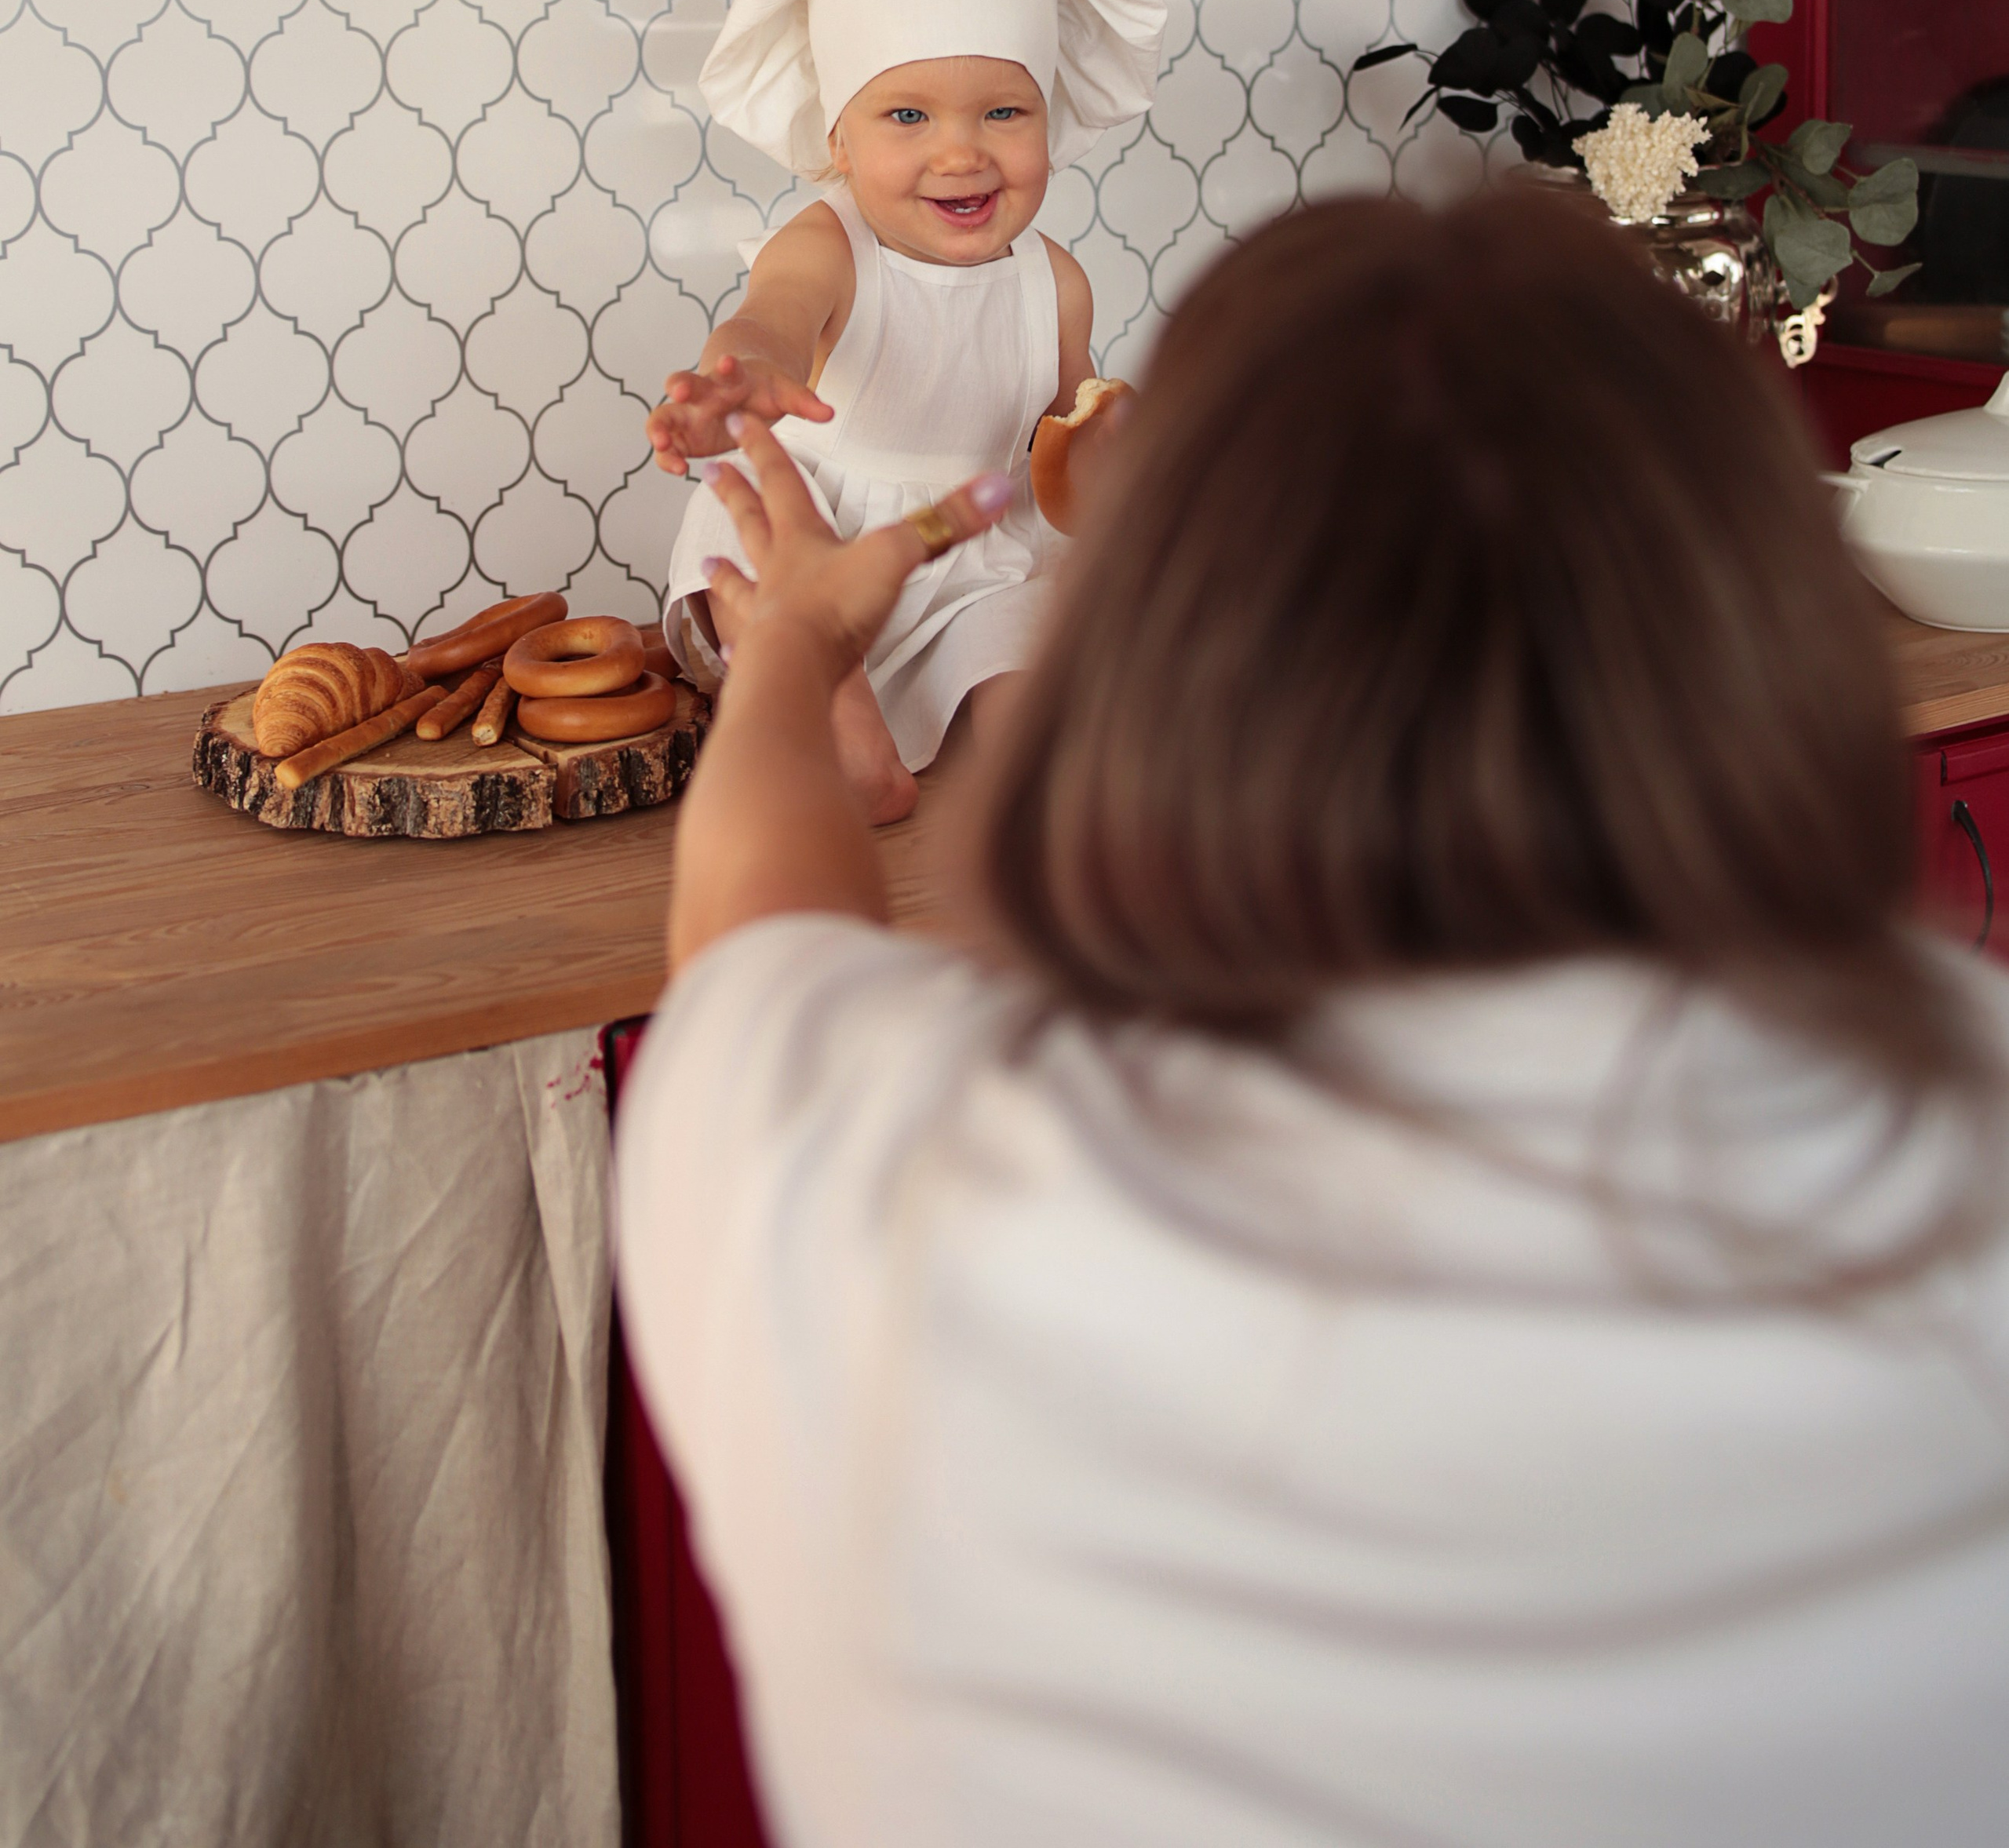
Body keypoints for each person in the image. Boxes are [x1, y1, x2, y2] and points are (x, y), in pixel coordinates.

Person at [615, 189, 2009, 1848]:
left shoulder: (898, 1172)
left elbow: (754, 947)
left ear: (1156, 659)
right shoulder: (1962, 1091)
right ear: (1753, 623)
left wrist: (789, 656)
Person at [647, 0, 1165, 824]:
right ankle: (848, 748)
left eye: (1004, 114)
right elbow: (773, 322)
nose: (962, 155)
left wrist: (1123, 452)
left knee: (1031, 670)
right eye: (909, 117)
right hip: (821, 540)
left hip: (970, 553)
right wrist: (740, 380)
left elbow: (1068, 445)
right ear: (836, 139)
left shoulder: (1053, 285)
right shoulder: (829, 246)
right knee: (764, 577)